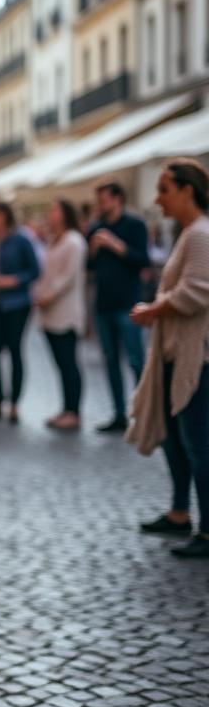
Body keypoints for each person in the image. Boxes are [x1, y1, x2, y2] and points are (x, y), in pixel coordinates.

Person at [127, 158, 209, 558]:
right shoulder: (189, 233)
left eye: (164, 189)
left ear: (186, 191)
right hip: (177, 353)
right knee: (178, 439)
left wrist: (153, 311)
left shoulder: (199, 234)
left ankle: (207, 529)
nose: (157, 199)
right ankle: (180, 514)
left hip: (197, 359)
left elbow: (197, 292)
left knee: (198, 443)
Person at [88, 180, 151, 433]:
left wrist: (114, 244)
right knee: (111, 361)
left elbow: (142, 259)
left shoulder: (134, 225)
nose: (101, 205)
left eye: (104, 199)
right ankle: (119, 414)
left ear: (117, 199)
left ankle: (145, 414)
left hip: (128, 303)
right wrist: (93, 249)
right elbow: (89, 268)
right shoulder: (96, 228)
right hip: (103, 304)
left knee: (136, 361)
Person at [0, 202, 41, 423]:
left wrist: (11, 281)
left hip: (15, 304)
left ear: (4, 216)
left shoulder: (21, 239)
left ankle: (14, 404)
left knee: (14, 351)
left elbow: (34, 270)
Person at [33, 200, 86, 431]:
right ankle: (66, 408)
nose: (49, 213)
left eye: (53, 210)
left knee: (68, 363)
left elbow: (67, 276)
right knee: (61, 364)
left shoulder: (74, 241)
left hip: (66, 311)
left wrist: (48, 295)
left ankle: (73, 411)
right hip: (50, 312)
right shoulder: (55, 240)